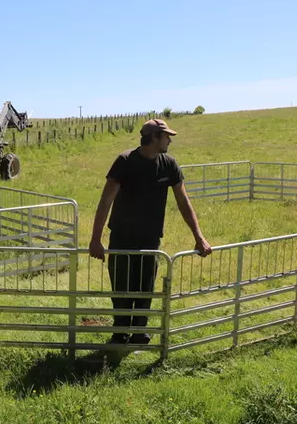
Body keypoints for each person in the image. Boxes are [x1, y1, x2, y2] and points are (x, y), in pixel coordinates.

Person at [89, 119, 212, 345]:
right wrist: (95, 239)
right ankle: (120, 334)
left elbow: (184, 202)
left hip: (150, 239)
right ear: (155, 137)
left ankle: (139, 334)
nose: (170, 141)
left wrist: (199, 236)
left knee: (145, 288)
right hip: (122, 238)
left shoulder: (169, 164)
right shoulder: (125, 162)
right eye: (167, 136)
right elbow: (106, 200)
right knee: (123, 289)